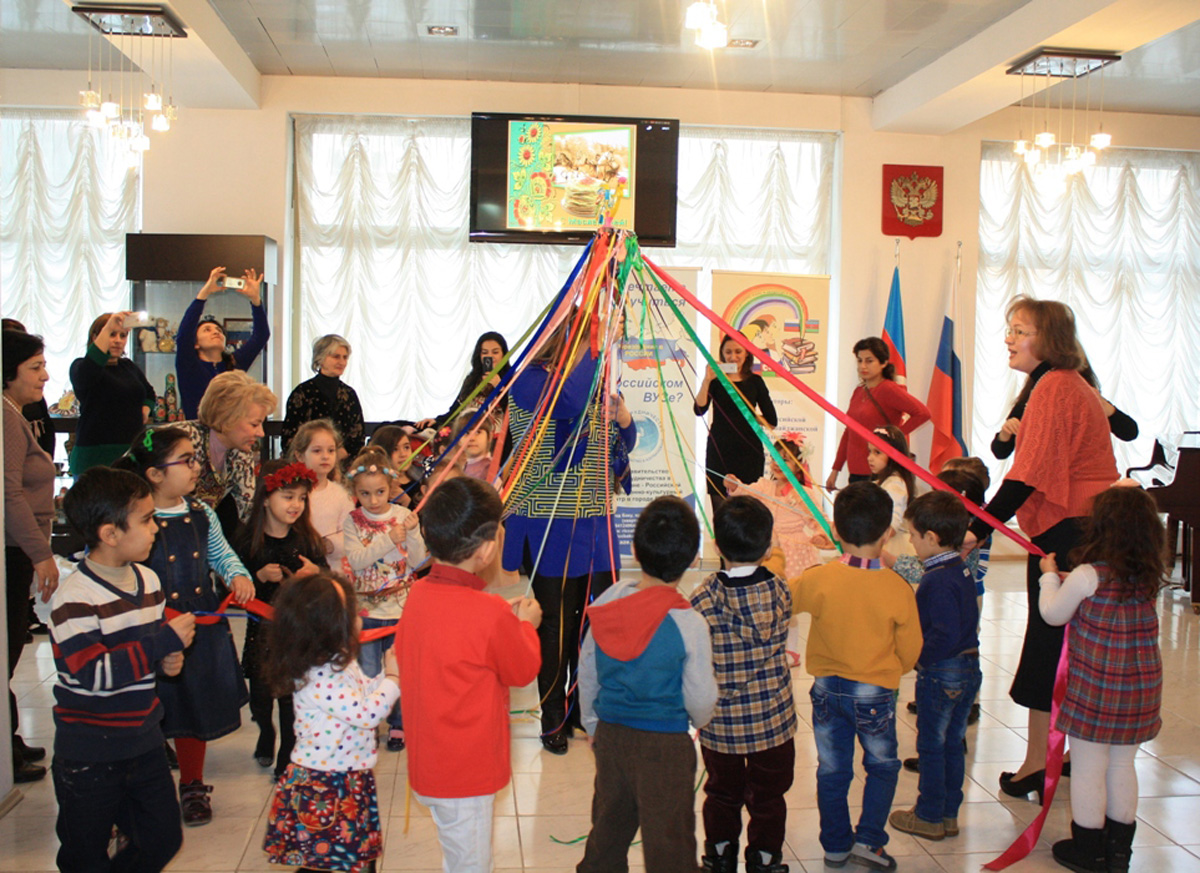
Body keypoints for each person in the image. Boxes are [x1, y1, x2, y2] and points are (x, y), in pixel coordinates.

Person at [965, 297, 1118, 805]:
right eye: (1009, 329)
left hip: (1069, 531)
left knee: (1048, 641)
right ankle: (1063, 751)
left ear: (1047, 339)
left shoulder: (1054, 386)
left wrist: (976, 529)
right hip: (1080, 525)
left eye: (1020, 330)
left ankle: (1037, 762)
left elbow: (1026, 475)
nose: (1009, 339)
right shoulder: (1059, 383)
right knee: (1070, 641)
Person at [502, 322, 636, 755]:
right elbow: (569, 402)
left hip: (595, 518)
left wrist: (623, 418)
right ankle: (552, 717)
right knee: (556, 624)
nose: (592, 350)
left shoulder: (592, 383)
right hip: (549, 519)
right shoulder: (529, 380)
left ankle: (581, 708)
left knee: (591, 621)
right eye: (586, 341)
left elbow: (621, 443)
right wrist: (597, 346)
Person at [396, 477, 542, 873]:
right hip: (465, 775)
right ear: (488, 548)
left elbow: (452, 640)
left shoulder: (418, 596)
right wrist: (525, 626)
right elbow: (522, 669)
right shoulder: (488, 613)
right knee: (471, 864)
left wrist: (503, 622)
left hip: (430, 764)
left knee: (458, 855)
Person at [52, 467, 196, 873]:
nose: (155, 528)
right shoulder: (74, 599)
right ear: (110, 534)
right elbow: (94, 674)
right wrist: (162, 644)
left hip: (144, 742)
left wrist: (167, 662)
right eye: (147, 520)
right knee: (85, 854)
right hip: (89, 753)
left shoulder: (148, 581)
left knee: (162, 839)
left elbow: (147, 654)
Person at [114, 425, 255, 826]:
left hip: (198, 624)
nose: (197, 467)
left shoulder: (202, 512)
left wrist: (237, 575)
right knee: (154, 703)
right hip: (152, 623)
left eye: (195, 458)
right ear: (155, 474)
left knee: (193, 703)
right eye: (187, 460)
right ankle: (142, 782)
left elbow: (220, 554)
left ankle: (192, 783)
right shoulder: (134, 519)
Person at [576, 496, 718, 873]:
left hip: (611, 737)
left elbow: (587, 671)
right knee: (669, 838)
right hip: (665, 746)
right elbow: (701, 696)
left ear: (635, 551)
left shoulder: (607, 602)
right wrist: (699, 720)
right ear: (692, 559)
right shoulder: (689, 623)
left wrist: (592, 725)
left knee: (609, 825)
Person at [789, 481, 922, 872]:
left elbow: (784, 600)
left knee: (832, 770)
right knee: (882, 767)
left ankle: (834, 846)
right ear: (887, 534)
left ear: (835, 530)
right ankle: (868, 842)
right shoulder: (898, 587)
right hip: (875, 692)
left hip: (827, 690)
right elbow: (911, 650)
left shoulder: (818, 578)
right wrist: (890, 671)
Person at [1037, 486, 1164, 873]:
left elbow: (1053, 614)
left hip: (1098, 689)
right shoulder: (1148, 575)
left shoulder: (1087, 574)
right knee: (1123, 765)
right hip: (1141, 689)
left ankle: (1088, 848)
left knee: (1089, 767)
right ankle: (1119, 852)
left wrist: (1048, 579)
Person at [261, 572, 399, 873]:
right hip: (325, 787)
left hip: (346, 778)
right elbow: (367, 714)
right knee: (326, 861)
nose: (361, 616)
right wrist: (393, 678)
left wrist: (386, 676)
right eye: (353, 612)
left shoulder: (338, 662)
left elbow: (363, 692)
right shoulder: (321, 677)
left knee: (353, 857)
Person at [690, 496, 797, 873]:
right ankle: (764, 859)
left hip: (723, 725)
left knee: (721, 793)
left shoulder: (702, 598)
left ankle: (719, 855)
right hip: (774, 722)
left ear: (717, 546)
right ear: (768, 547)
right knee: (770, 796)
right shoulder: (781, 590)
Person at [887, 491, 981, 842]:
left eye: (913, 535)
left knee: (931, 745)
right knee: (952, 744)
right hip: (968, 668)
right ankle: (948, 814)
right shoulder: (959, 568)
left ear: (931, 537)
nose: (910, 542)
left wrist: (919, 658)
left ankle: (928, 814)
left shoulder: (937, 579)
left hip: (942, 672)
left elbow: (944, 633)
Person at [233, 459, 327, 777]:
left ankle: (287, 757)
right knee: (260, 698)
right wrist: (258, 577)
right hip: (260, 634)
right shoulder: (248, 540)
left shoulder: (307, 540)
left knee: (290, 701)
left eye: (302, 497)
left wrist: (315, 575)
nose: (296, 504)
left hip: (295, 635)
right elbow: (232, 586)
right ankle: (265, 732)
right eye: (288, 497)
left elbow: (325, 580)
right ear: (265, 498)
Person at [342, 446, 427, 752]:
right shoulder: (352, 521)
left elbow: (418, 562)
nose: (374, 501)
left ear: (391, 487)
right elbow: (357, 560)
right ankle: (368, 723)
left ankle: (398, 724)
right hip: (366, 611)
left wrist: (413, 534)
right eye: (365, 494)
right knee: (367, 671)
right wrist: (388, 539)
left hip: (401, 609)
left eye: (380, 492)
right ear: (355, 492)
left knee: (399, 668)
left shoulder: (403, 516)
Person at [3, 328, 58, 783]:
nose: (44, 376)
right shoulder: (6, 418)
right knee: (6, 652)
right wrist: (41, 554)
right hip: (14, 549)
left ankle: (10, 740)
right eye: (36, 367)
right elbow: (10, 495)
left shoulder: (15, 414)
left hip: (19, 548)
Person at [177, 370, 278, 538]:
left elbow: (247, 513)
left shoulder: (242, 452)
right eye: (254, 424)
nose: (261, 433)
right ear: (227, 418)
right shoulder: (183, 441)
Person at [825, 337, 930, 492]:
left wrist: (893, 439)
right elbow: (849, 432)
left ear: (883, 363)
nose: (863, 366)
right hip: (855, 471)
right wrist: (835, 470)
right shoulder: (858, 391)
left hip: (879, 470)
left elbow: (923, 413)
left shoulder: (888, 389)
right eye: (859, 360)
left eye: (869, 361)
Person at [991, 353, 1137, 460]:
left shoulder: (1087, 397)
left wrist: (1104, 407)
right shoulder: (1030, 400)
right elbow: (1000, 452)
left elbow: (1129, 432)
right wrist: (1006, 432)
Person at [725, 435, 833, 577]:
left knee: (792, 584)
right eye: (774, 458)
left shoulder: (802, 493)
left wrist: (821, 536)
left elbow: (819, 519)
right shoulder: (765, 486)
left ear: (798, 465)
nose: (777, 463)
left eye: (785, 460)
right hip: (768, 548)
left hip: (795, 553)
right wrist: (735, 485)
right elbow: (746, 492)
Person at [695, 334, 777, 513]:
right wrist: (707, 380)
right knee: (720, 510)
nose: (733, 357)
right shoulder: (715, 380)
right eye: (728, 352)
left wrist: (749, 415)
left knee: (748, 510)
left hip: (749, 452)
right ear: (722, 354)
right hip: (719, 451)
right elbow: (699, 410)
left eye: (738, 351)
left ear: (747, 353)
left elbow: (772, 421)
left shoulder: (755, 381)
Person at [176, 265, 270, 419]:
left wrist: (255, 300)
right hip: (198, 429)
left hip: (230, 430)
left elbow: (261, 336)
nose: (216, 332)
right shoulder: (188, 365)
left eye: (219, 330)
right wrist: (204, 294)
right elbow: (184, 336)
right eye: (207, 330)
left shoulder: (234, 363)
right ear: (195, 343)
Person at [68, 311, 157, 473]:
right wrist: (109, 326)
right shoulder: (80, 366)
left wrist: (145, 410)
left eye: (122, 335)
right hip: (94, 455)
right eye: (111, 334)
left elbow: (149, 393)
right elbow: (87, 373)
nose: (117, 341)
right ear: (95, 338)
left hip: (130, 452)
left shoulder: (128, 366)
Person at [280, 334, 365, 459]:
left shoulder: (349, 394)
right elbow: (290, 436)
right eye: (336, 356)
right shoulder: (302, 392)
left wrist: (338, 454)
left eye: (345, 357)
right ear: (320, 358)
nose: (342, 362)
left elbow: (358, 436)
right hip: (307, 462)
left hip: (344, 462)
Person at [289, 418, 355, 569]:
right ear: (300, 456)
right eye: (317, 451)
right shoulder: (291, 493)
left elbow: (351, 534)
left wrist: (332, 544)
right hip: (296, 566)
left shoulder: (341, 495)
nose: (325, 456)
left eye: (331, 450)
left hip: (330, 570)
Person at [416, 330, 512, 432]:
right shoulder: (472, 379)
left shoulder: (512, 379)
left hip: (495, 436)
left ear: (503, 354)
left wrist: (499, 387)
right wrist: (437, 421)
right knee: (414, 427)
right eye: (485, 352)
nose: (490, 356)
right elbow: (456, 409)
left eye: (495, 352)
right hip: (464, 433)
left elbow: (513, 413)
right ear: (479, 355)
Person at [868, 425, 918, 558]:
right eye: (869, 451)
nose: (870, 458)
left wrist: (866, 541)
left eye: (877, 452)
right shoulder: (886, 482)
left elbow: (892, 525)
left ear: (894, 455)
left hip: (890, 546)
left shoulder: (895, 484)